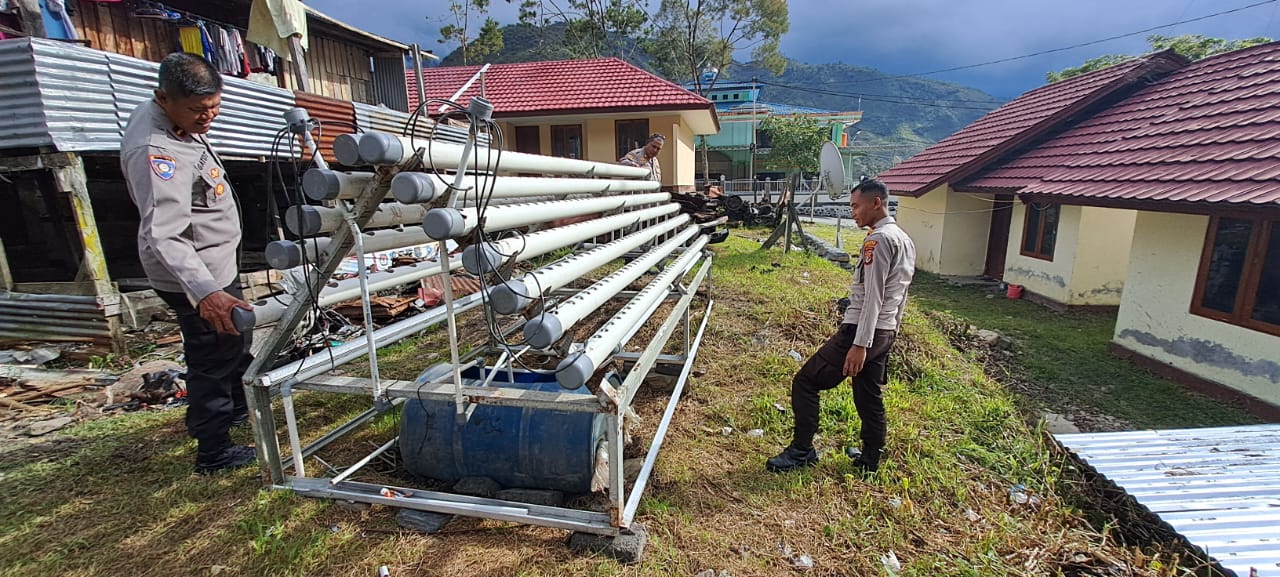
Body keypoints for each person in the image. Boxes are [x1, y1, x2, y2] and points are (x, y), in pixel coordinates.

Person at [121, 52, 256, 475]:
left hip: (214, 263)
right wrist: (207, 293)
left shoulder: (179, 122)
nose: (208, 117)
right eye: (199, 110)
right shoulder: (155, 148)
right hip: (195, 275)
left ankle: (236, 410)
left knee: (234, 342)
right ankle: (213, 451)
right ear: (164, 98)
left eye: (215, 107)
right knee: (214, 352)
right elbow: (163, 232)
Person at [766, 178, 916, 474]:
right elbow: (902, 295)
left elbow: (874, 295)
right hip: (884, 330)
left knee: (806, 382)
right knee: (867, 392)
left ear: (876, 203)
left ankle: (802, 450)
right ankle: (870, 459)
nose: (853, 212)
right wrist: (890, 335)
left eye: (856, 206)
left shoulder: (879, 240)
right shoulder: (903, 238)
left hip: (863, 331)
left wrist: (860, 344)